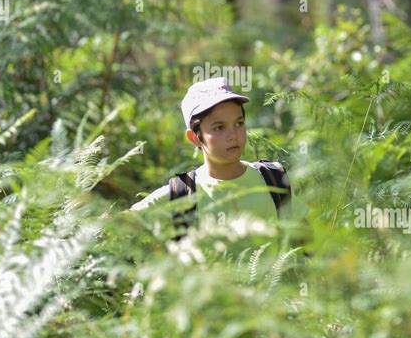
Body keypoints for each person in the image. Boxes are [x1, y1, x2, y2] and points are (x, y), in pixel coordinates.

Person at [130, 76, 306, 233]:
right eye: (219, 127)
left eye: (239, 123)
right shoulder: (181, 194)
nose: (233, 135)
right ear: (194, 138)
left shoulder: (272, 179)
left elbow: (312, 248)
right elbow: (115, 226)